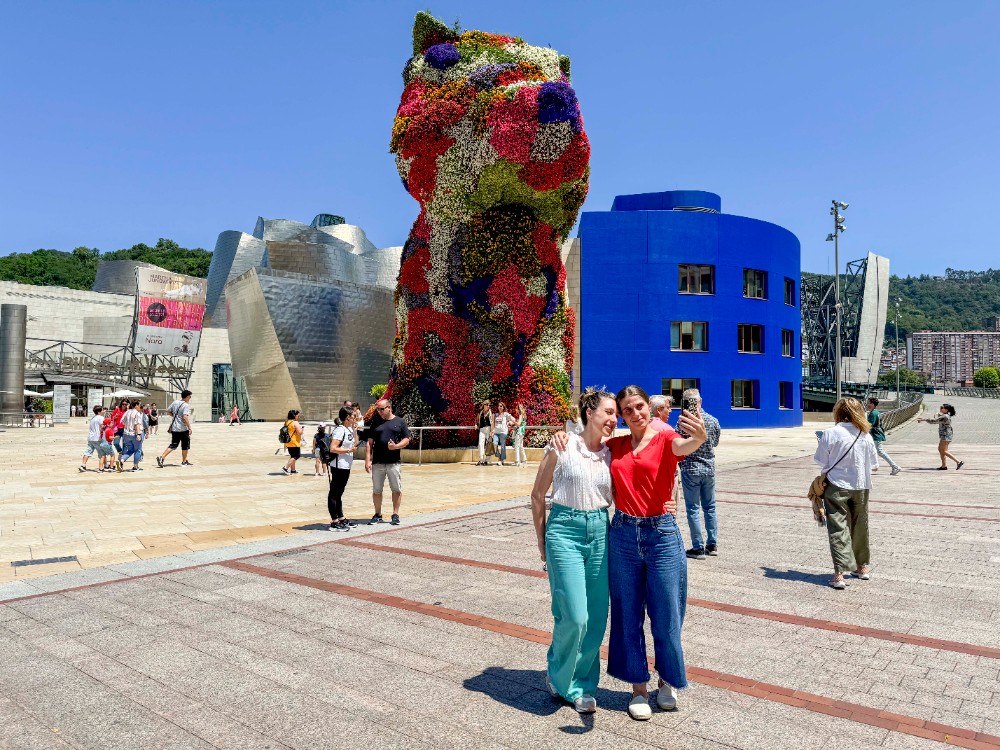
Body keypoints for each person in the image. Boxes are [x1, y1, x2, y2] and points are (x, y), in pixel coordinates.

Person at [551, 385, 707, 720]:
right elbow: (586, 446)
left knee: (666, 614)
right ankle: (638, 687)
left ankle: (667, 682)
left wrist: (700, 436)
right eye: (627, 410)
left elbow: (685, 446)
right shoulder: (616, 446)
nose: (635, 414)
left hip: (661, 534)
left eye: (639, 407)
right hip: (622, 534)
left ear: (648, 407)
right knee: (627, 615)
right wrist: (561, 438)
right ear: (622, 415)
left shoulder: (666, 439)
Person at [530, 388, 617, 714]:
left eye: (615, 415)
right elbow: (538, 495)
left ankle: (581, 684)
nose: (614, 419)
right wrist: (542, 540)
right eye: (609, 412)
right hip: (564, 531)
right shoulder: (562, 445)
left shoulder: (611, 453)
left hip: (600, 531)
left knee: (595, 617)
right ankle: (558, 671)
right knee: (574, 615)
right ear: (590, 412)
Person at [815, 398, 879, 590]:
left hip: (836, 485)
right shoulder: (865, 434)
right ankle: (862, 568)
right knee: (860, 525)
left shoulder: (830, 433)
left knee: (838, 528)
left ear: (837, 412)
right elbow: (874, 466)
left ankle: (839, 574)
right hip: (861, 486)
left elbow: (821, 462)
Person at [679, 389, 722, 560]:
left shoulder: (683, 422)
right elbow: (716, 442)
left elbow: (679, 443)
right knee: (710, 507)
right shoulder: (712, 420)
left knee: (693, 509)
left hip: (690, 469)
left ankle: (698, 547)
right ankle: (712, 544)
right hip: (708, 468)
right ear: (700, 401)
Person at [365, 399, 411, 525]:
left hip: (393, 462)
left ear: (389, 408)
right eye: (377, 409)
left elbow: (406, 439)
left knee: (396, 489)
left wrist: (396, 446)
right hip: (378, 463)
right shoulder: (375, 422)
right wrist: (367, 460)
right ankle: (377, 514)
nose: (379, 412)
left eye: (381, 409)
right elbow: (369, 443)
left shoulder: (400, 422)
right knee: (377, 490)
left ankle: (395, 514)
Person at [327, 407, 359, 530]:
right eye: (353, 415)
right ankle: (334, 520)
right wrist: (349, 450)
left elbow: (354, 443)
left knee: (339, 493)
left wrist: (355, 431)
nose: (355, 417)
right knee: (334, 493)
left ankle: (341, 517)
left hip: (345, 465)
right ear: (347, 417)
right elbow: (333, 448)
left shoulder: (348, 429)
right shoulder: (340, 430)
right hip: (338, 465)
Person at [918, 404, 963, 470]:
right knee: (941, 450)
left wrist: (923, 419)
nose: (940, 409)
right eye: (940, 407)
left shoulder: (945, 416)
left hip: (946, 435)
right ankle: (944, 466)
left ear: (946, 410)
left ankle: (958, 462)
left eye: (942, 408)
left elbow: (934, 421)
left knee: (943, 451)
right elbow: (937, 418)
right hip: (946, 434)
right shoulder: (945, 416)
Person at [157, 390, 194, 467]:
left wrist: (174, 416)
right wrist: (189, 427)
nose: (190, 398)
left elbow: (168, 411)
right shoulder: (186, 405)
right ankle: (184, 461)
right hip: (183, 428)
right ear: (187, 396)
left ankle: (162, 457)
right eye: (190, 396)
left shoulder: (175, 402)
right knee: (185, 445)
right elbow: (185, 417)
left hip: (175, 428)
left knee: (174, 444)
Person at [866, 397, 900, 476]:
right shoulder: (877, 412)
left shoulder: (872, 414)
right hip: (876, 434)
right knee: (870, 451)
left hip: (875, 435)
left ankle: (894, 466)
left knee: (880, 451)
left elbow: (869, 425)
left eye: (869, 403)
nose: (867, 404)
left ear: (872, 404)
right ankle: (870, 467)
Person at [118, 400, 146, 471]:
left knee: (130, 450)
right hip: (134, 434)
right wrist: (138, 434)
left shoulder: (127, 412)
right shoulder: (137, 413)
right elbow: (137, 424)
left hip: (126, 434)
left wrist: (129, 425)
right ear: (136, 405)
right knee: (137, 450)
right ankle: (135, 466)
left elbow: (122, 422)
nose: (140, 407)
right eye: (140, 405)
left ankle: (122, 460)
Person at [80, 405, 106, 472]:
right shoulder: (101, 418)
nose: (104, 411)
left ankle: (83, 465)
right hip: (97, 438)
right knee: (102, 453)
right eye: (103, 410)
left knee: (88, 452)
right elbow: (103, 427)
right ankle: (101, 467)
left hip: (91, 438)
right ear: (99, 412)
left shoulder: (93, 418)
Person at [282, 409, 304, 474]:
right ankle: (285, 468)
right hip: (294, 442)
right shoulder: (295, 423)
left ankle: (293, 470)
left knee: (292, 456)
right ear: (294, 416)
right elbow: (299, 432)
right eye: (298, 416)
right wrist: (302, 429)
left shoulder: (287, 422)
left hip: (288, 442)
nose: (298, 417)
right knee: (297, 456)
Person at [494, 402, 515, 466]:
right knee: (494, 444)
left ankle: (501, 459)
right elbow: (492, 423)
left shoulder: (506, 414)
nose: (499, 407)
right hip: (496, 432)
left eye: (501, 406)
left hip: (503, 432)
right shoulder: (495, 415)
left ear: (503, 407)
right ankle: (499, 457)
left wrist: (510, 422)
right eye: (498, 406)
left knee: (503, 446)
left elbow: (513, 419)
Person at [476, 401, 494, 466]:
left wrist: (492, 431)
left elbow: (492, 422)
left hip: (488, 429)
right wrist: (476, 424)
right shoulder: (480, 412)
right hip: (482, 429)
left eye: (489, 405)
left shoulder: (491, 412)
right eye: (487, 405)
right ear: (484, 405)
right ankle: (481, 459)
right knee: (481, 444)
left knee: (488, 445)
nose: (488, 406)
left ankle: (488, 460)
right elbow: (477, 419)